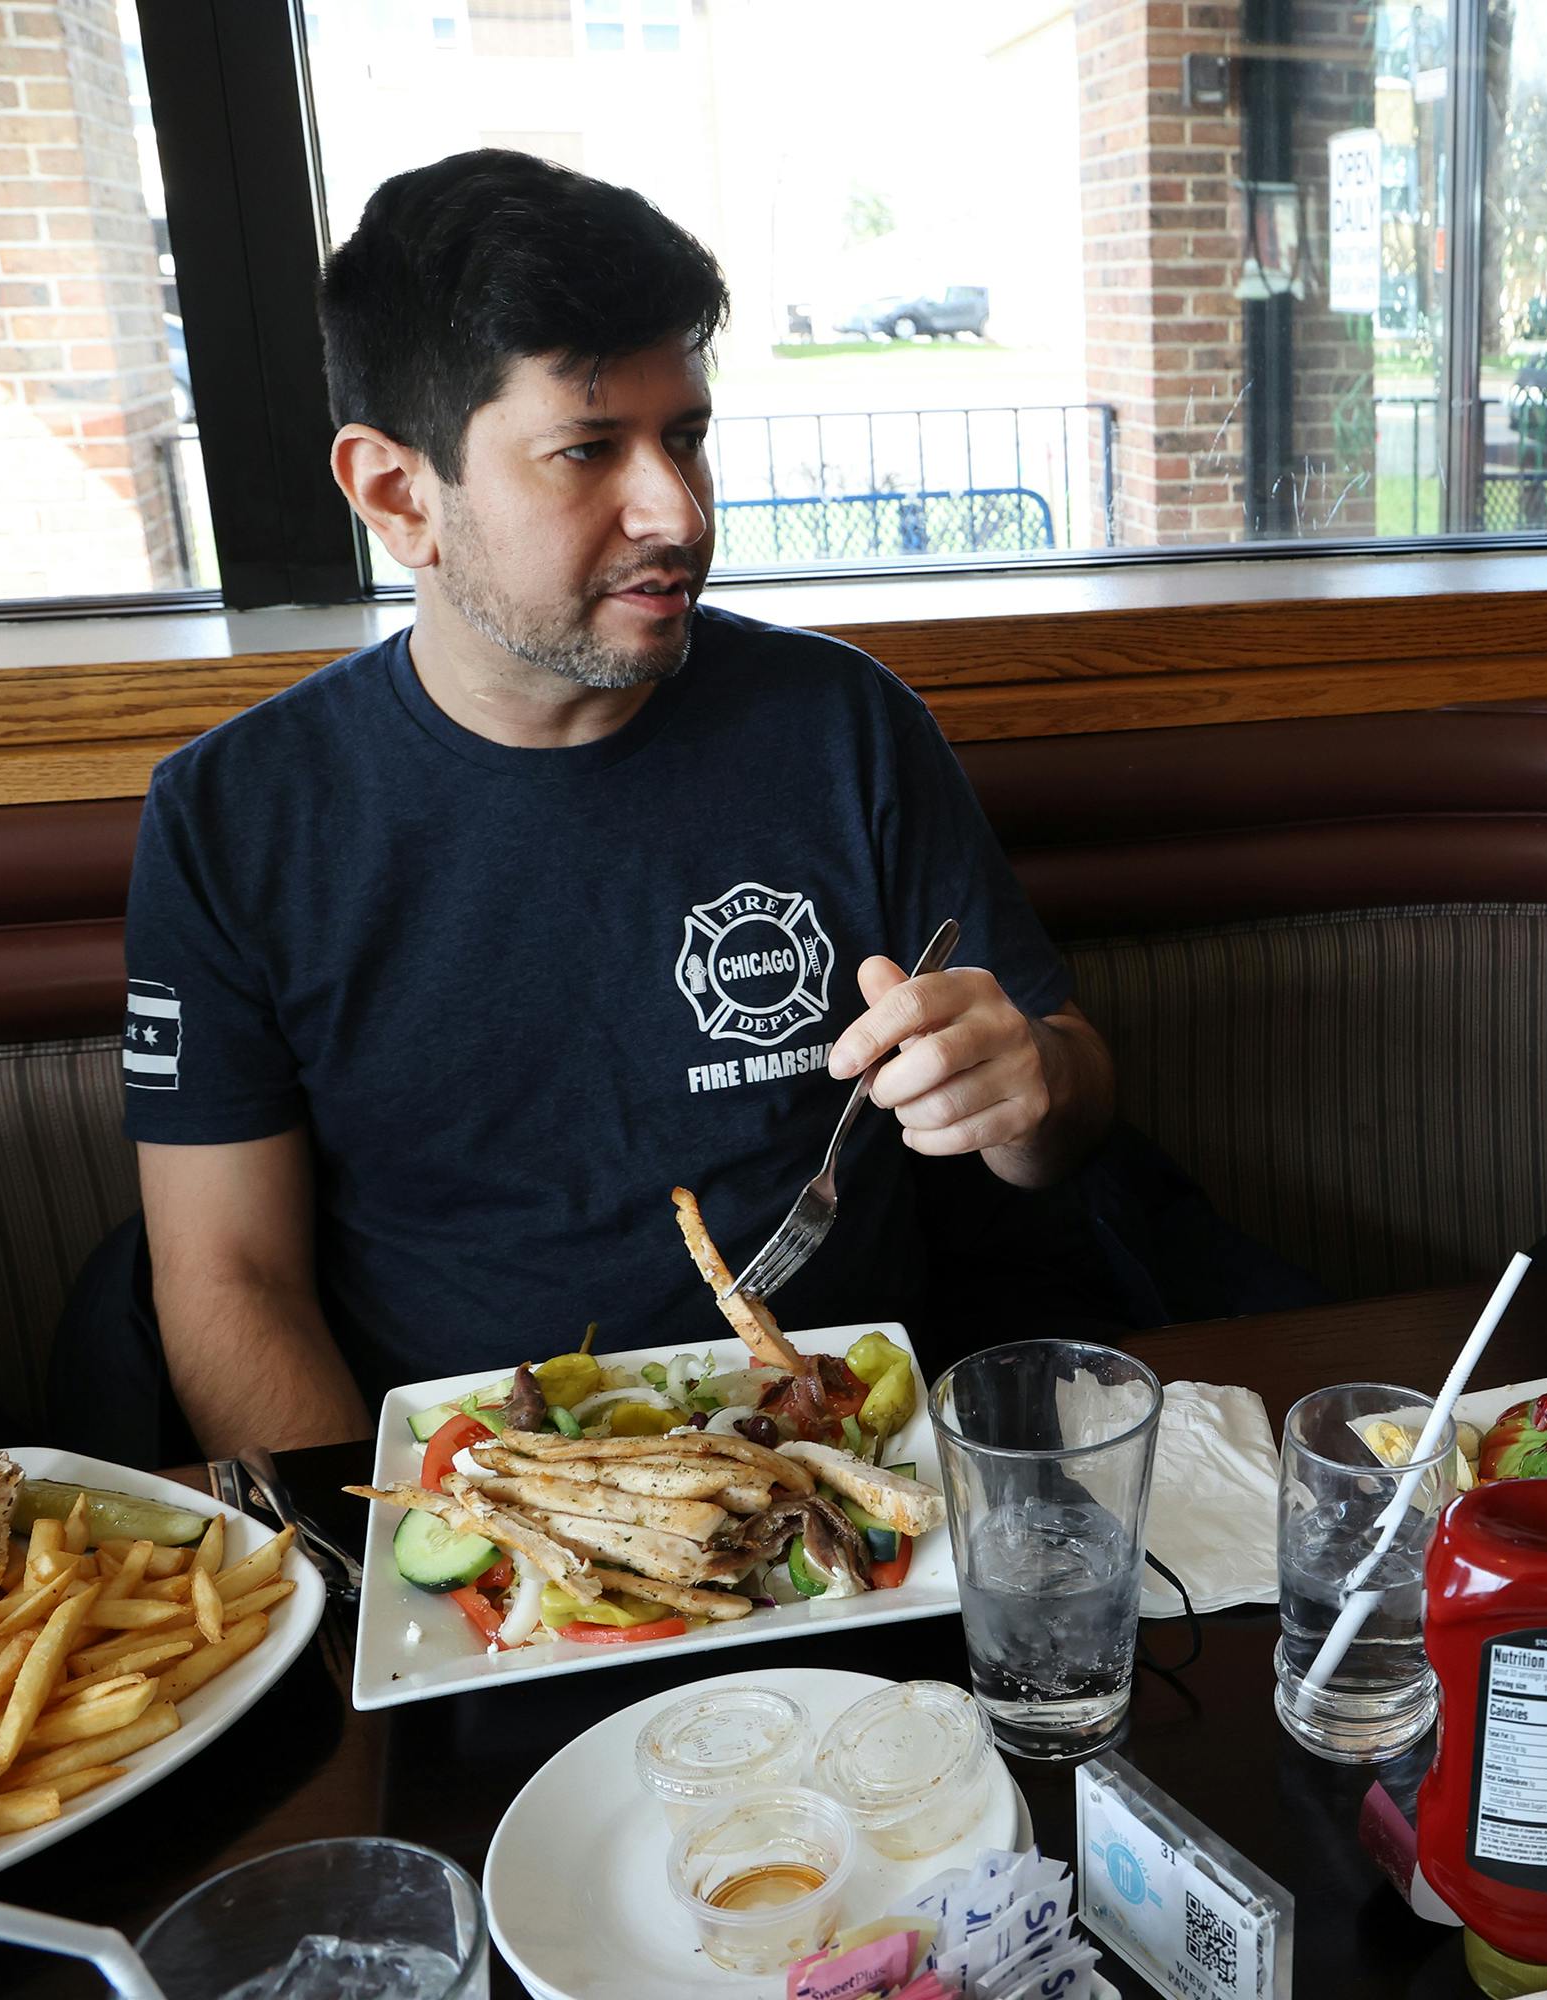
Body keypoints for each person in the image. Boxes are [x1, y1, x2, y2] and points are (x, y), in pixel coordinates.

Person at [114, 151, 1115, 1457]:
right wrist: (391, 1588)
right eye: (589, 449)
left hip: (856, 1478)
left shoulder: (844, 726)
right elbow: (226, 1282)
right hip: (477, 1516)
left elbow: (1071, 1094)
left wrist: (1029, 1091)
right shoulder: (233, 820)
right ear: (398, 494)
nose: (679, 509)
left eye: (685, 436)